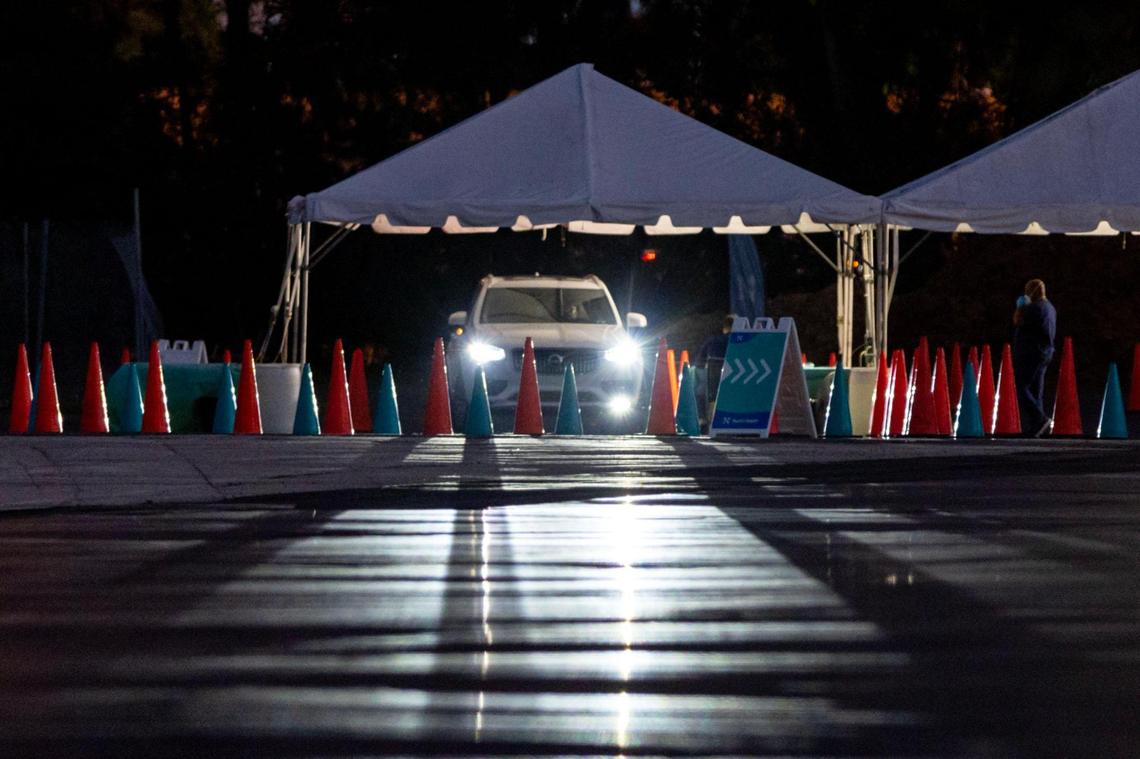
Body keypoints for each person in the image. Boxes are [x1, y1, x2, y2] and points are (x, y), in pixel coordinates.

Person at [1012, 278, 1056, 437]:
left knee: (1022, 386)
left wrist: (1021, 308)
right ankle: (1039, 427)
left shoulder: (1033, 308)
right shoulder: (1050, 307)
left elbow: (1019, 323)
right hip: (1046, 352)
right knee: (1037, 389)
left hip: (1032, 352)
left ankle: (1040, 418)